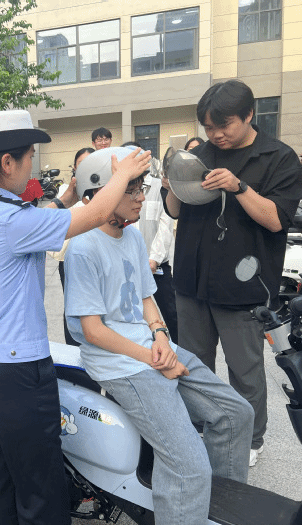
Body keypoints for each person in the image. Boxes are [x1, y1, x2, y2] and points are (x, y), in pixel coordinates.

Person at [0, 109, 151, 525]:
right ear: (7, 163)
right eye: (29, 156)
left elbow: (37, 220)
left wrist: (67, 197)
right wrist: (123, 174)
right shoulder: (11, 220)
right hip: (16, 374)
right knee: (41, 488)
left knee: (1, 473)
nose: (32, 165)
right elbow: (95, 216)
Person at [64, 146, 254, 525]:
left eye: (142, 188)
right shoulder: (83, 248)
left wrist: (162, 338)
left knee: (236, 415)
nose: (141, 198)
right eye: (131, 189)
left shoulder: (133, 238)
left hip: (152, 350)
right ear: (99, 194)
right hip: (120, 364)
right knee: (188, 465)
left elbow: (146, 298)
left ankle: (218, 511)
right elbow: (92, 330)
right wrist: (152, 357)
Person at [163, 79, 302, 466]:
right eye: (208, 127)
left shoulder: (278, 158)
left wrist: (239, 187)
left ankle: (251, 439)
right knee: (194, 364)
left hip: (244, 286)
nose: (215, 135)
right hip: (192, 280)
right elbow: (174, 211)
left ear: (249, 115)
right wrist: (174, 181)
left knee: (245, 369)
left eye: (223, 126)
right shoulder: (199, 154)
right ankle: (202, 426)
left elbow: (276, 219)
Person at [121, 142, 178, 344]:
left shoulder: (158, 186)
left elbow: (166, 224)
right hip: (127, 266)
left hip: (157, 265)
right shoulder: (118, 188)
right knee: (132, 312)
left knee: (171, 313)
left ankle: (178, 350)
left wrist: (154, 258)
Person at [49, 147, 92, 345]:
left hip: (95, 256)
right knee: (72, 306)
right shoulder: (65, 191)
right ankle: (73, 347)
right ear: (74, 167)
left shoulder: (104, 191)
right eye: (81, 164)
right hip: (69, 258)